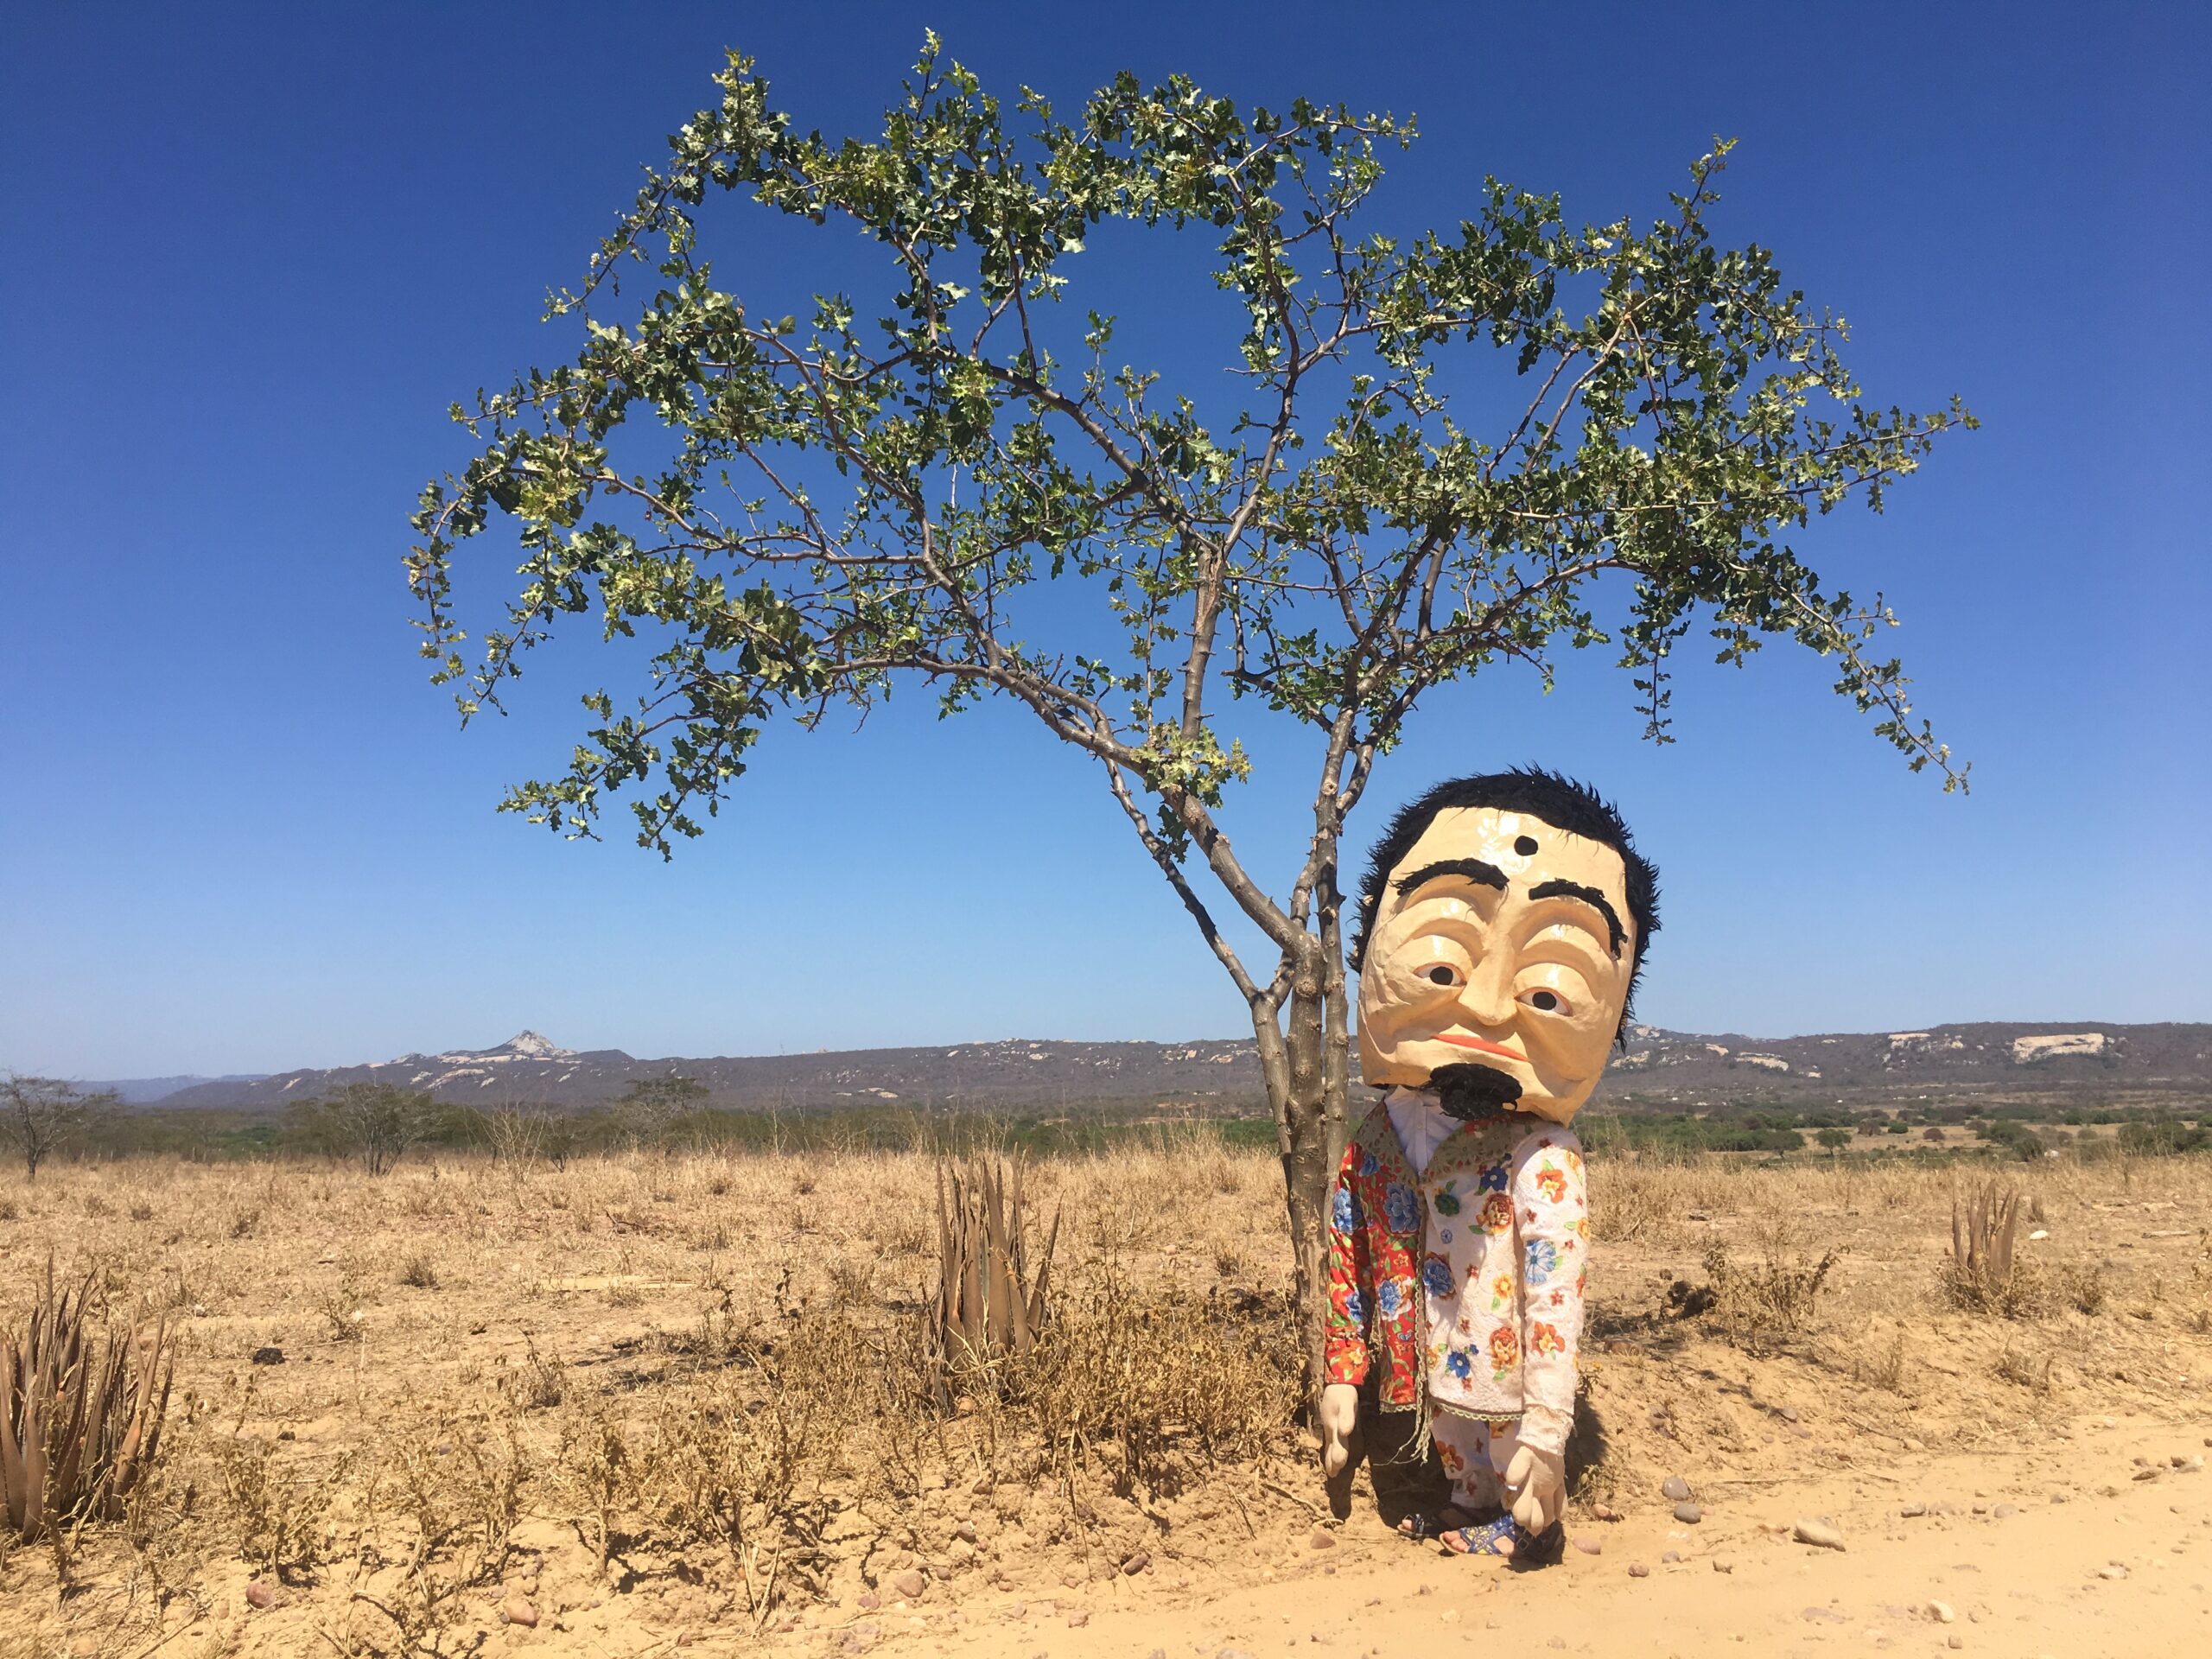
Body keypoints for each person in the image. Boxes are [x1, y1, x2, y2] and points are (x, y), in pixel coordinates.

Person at [1318, 767, 1658, 1564]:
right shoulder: (1377, 1138)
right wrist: (1343, 1372)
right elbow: (1347, 1257)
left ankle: (1519, 1511)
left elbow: (1554, 1287)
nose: (1487, 1004)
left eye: (1550, 990)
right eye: (1442, 964)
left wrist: (1548, 1425)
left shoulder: (1540, 1155)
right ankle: (1468, 1499)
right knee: (1459, 1444)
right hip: (1433, 1368)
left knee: (1505, 1449)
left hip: (1507, 1373)